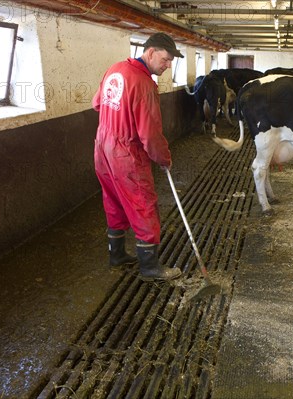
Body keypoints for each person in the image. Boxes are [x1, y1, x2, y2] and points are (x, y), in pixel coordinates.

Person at [92, 32, 184, 281]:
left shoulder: (115, 69)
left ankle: (117, 254)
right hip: (126, 152)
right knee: (142, 202)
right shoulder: (144, 84)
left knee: (113, 199)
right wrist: (163, 158)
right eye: (165, 60)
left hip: (102, 145)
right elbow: (150, 134)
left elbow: (97, 104)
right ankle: (150, 267)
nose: (167, 65)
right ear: (151, 52)